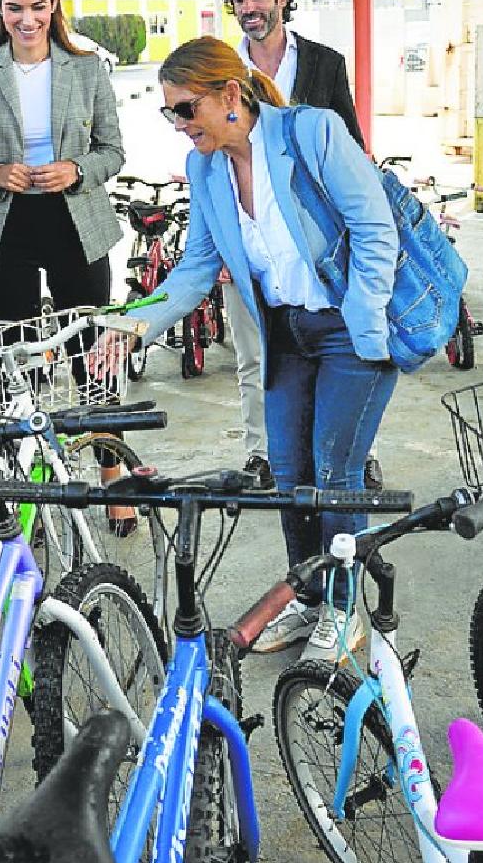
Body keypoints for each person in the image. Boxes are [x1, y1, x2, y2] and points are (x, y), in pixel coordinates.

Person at [96, 36, 398, 662]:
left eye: (186, 109)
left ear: (231, 95)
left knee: (335, 473)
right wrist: (136, 323)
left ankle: (345, 611)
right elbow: (197, 266)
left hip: (347, 331)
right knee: (290, 473)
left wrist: (367, 319)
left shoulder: (310, 133)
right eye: (169, 112)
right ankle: (309, 594)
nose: (180, 125)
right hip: (287, 332)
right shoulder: (207, 169)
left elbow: (374, 227)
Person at [218, 0, 381, 491]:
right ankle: (261, 451)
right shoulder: (220, 67)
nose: (248, 9)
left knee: (346, 355)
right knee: (253, 352)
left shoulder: (322, 63)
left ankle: (356, 448)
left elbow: (351, 144)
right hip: (254, 237)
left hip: (320, 247)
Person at [0, 0, 125, 424]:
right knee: (16, 355)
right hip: (6, 224)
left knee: (92, 349)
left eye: (37, 7)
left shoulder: (86, 69)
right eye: (14, 8)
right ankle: (29, 469)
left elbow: (113, 151)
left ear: (54, 5)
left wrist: (77, 169)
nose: (27, 20)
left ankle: (111, 472)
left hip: (77, 220)